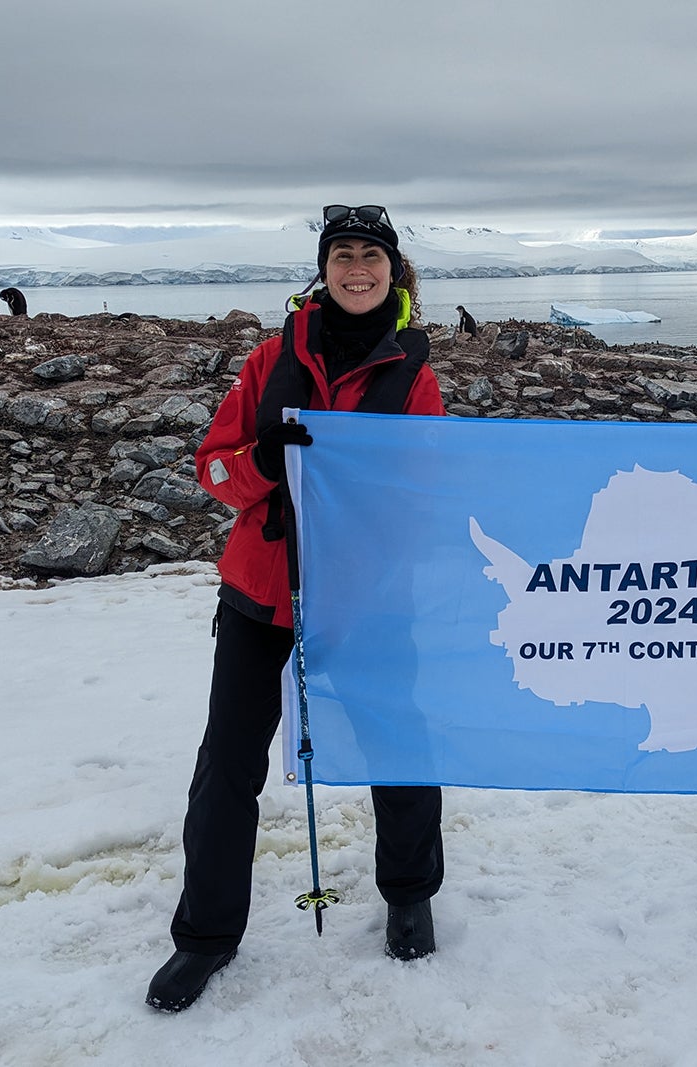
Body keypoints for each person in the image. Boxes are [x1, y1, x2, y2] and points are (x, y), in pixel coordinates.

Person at [147, 204, 448, 1013]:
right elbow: (213, 470)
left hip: (369, 600)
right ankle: (204, 937)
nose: (357, 269)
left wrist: (372, 510)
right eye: (343, 255)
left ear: (393, 270)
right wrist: (264, 462)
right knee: (226, 769)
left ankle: (410, 893)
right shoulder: (271, 361)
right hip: (261, 593)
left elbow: (428, 489)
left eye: (371, 257)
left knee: (400, 750)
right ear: (325, 269)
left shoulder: (414, 375)